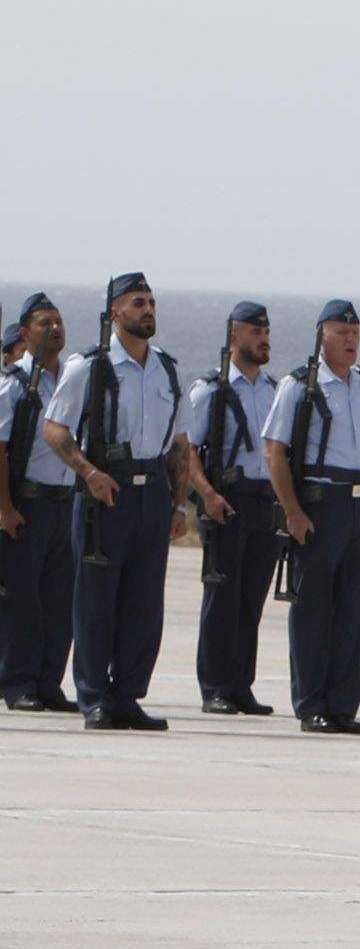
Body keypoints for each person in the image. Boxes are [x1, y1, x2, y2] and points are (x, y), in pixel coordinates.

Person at [40, 272, 193, 731]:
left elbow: (181, 445)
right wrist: (88, 473)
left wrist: (179, 505)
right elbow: (55, 428)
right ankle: (94, 697)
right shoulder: (89, 366)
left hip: (153, 497)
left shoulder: (167, 368)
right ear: (114, 314)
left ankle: (128, 694)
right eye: (137, 302)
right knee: (96, 600)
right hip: (106, 495)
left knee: (144, 603)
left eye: (150, 302)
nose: (147, 310)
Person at [263, 300, 360, 734]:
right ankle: (311, 703)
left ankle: (343, 704)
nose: (351, 340)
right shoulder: (300, 386)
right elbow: (275, 452)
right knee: (314, 609)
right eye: (342, 333)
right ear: (322, 335)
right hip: (322, 503)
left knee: (356, 609)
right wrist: (293, 511)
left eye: (355, 333)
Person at [181, 301, 285, 713]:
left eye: (266, 332)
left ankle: (241, 684)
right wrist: (207, 494)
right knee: (221, 599)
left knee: (250, 599)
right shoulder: (211, 390)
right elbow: (187, 450)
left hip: (264, 502)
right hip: (226, 501)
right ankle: (215, 687)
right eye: (255, 332)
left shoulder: (274, 391)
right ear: (234, 336)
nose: (263, 339)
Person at [2, 293, 79, 711]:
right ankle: (18, 683)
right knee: (22, 600)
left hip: (65, 502)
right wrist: (5, 508)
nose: (55, 329)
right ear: (25, 333)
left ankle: (49, 681)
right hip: (27, 503)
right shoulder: (12, 384)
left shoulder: (74, 379)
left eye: (59, 322)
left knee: (59, 599)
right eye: (45, 323)